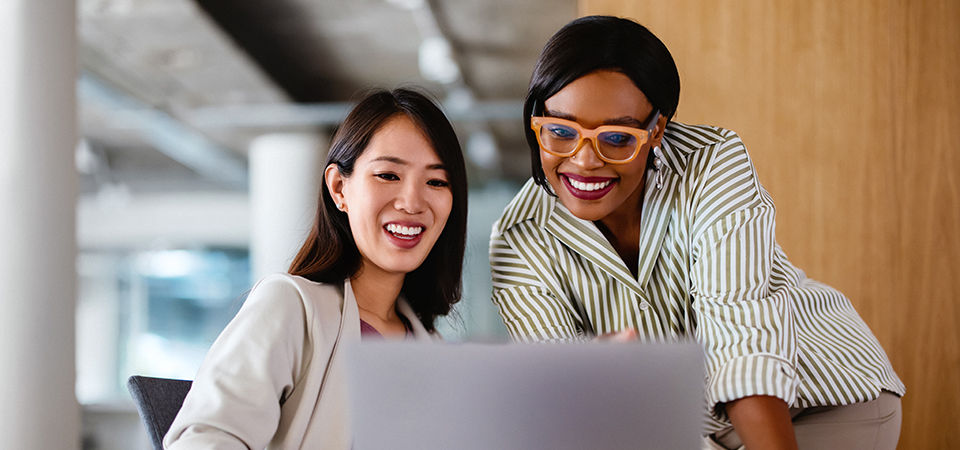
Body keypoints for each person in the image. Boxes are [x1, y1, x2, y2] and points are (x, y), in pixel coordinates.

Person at [489, 16, 904, 450]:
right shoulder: (520, 240)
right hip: (696, 429)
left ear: (656, 131)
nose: (585, 161)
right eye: (560, 131)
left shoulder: (711, 166)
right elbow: (570, 395)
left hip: (824, 401)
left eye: (616, 138)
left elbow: (740, 341)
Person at [165, 88, 468, 449]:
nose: (412, 202)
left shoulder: (431, 347)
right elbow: (203, 440)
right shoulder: (291, 307)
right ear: (339, 188)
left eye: (436, 181)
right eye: (388, 175)